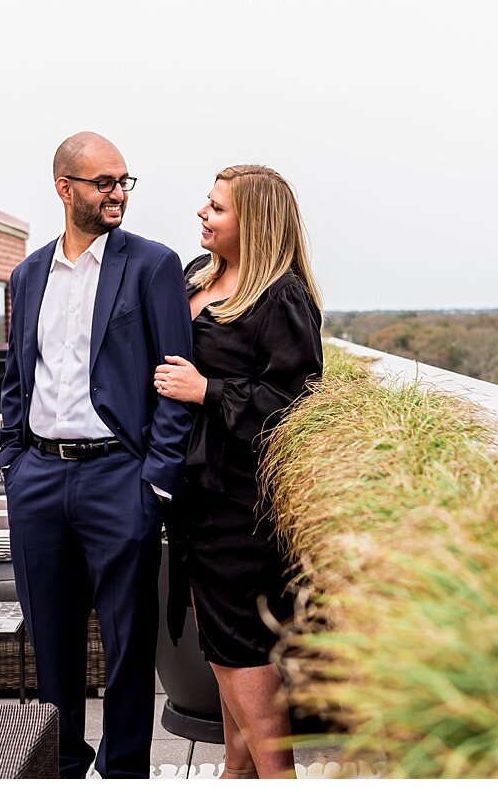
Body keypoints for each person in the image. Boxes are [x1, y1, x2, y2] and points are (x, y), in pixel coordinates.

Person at [0, 131, 194, 779]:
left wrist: (154, 483)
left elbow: (176, 378)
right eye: (104, 182)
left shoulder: (152, 264)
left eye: (124, 182)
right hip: (39, 479)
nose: (118, 194)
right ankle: (61, 765)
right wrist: (13, 465)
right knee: (50, 645)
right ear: (65, 188)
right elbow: (16, 380)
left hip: (119, 478)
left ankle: (124, 771)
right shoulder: (27, 276)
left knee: (127, 645)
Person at [152, 164, 324, 780]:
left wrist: (206, 389)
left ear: (252, 221)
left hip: (241, 499)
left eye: (217, 207)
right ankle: (236, 769)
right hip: (194, 493)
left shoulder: (282, 297)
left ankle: (275, 776)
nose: (202, 213)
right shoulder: (201, 277)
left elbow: (297, 403)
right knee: (219, 640)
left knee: (241, 643)